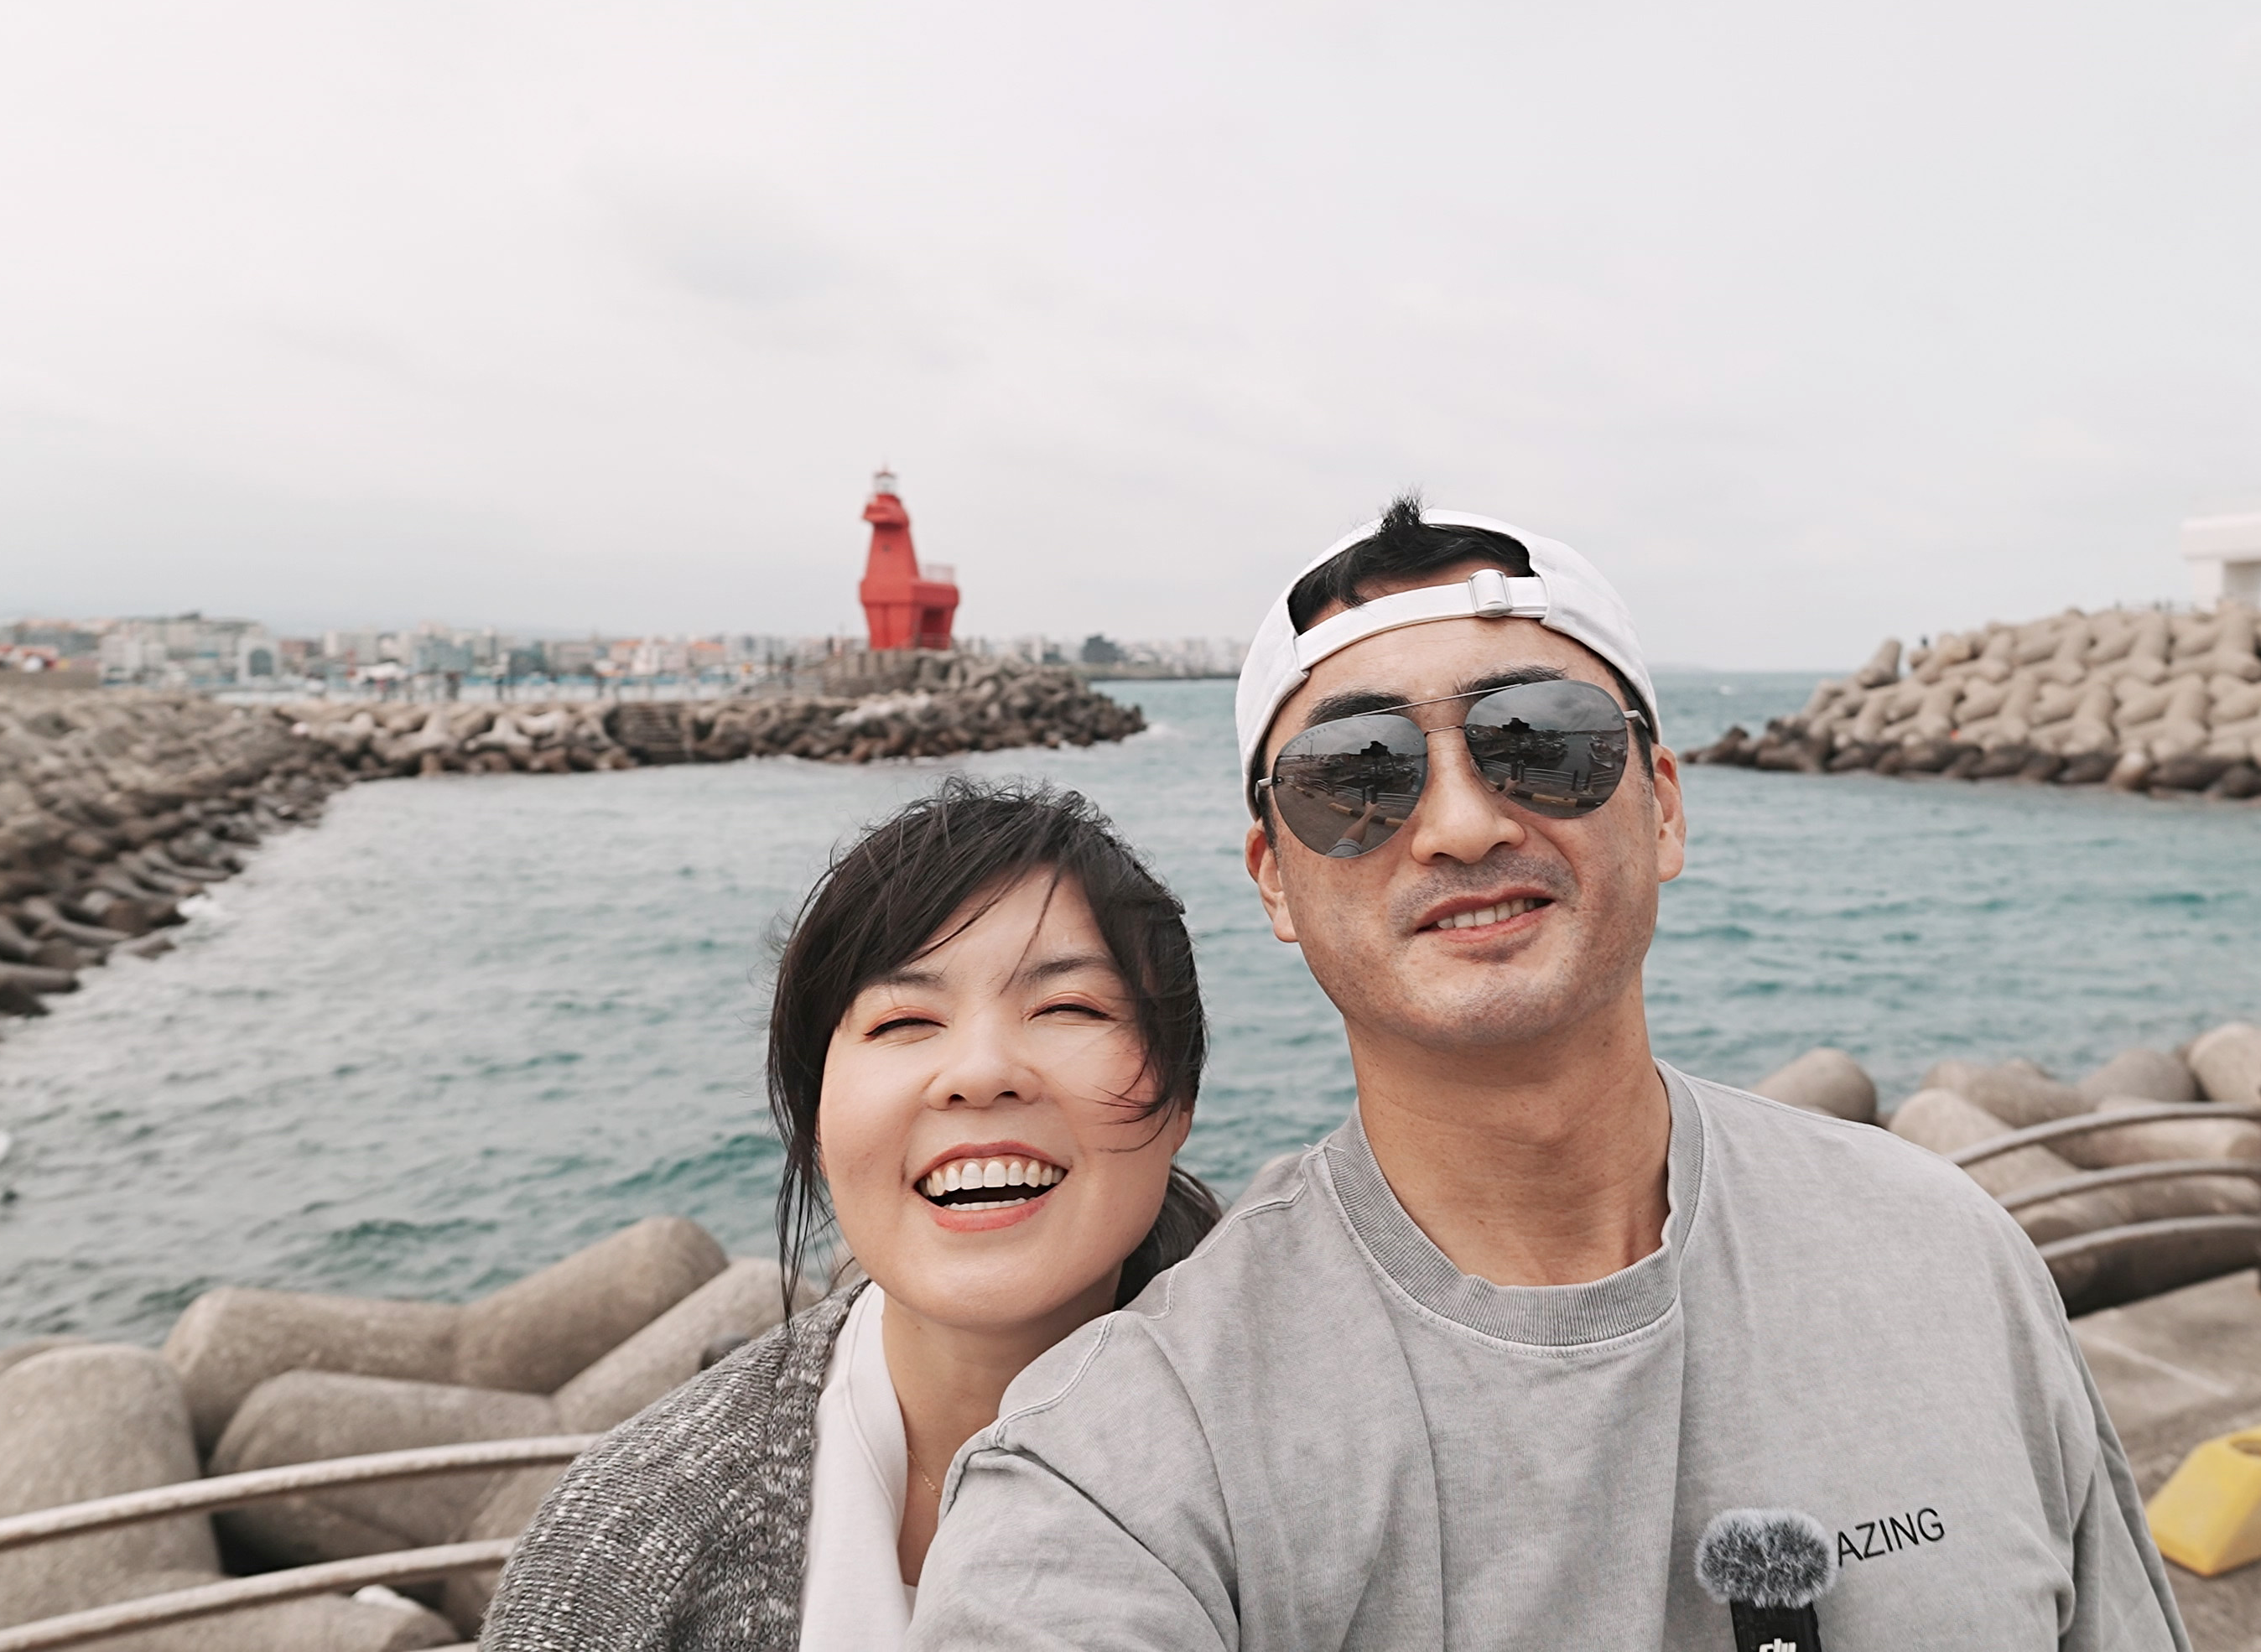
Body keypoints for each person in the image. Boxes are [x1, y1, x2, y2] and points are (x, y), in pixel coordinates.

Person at [910, 499, 2189, 1649]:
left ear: (1664, 806)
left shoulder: (1950, 1261)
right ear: (1273, 881)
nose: (1463, 823)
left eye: (1541, 741)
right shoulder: (1133, 1462)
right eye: (1357, 777)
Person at [484, 781, 1220, 1651]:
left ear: (1180, 1097)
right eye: (905, 1020)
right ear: (817, 1126)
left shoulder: (1325, 1461)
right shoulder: (627, 1544)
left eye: (1068, 1008)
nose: (980, 1072)